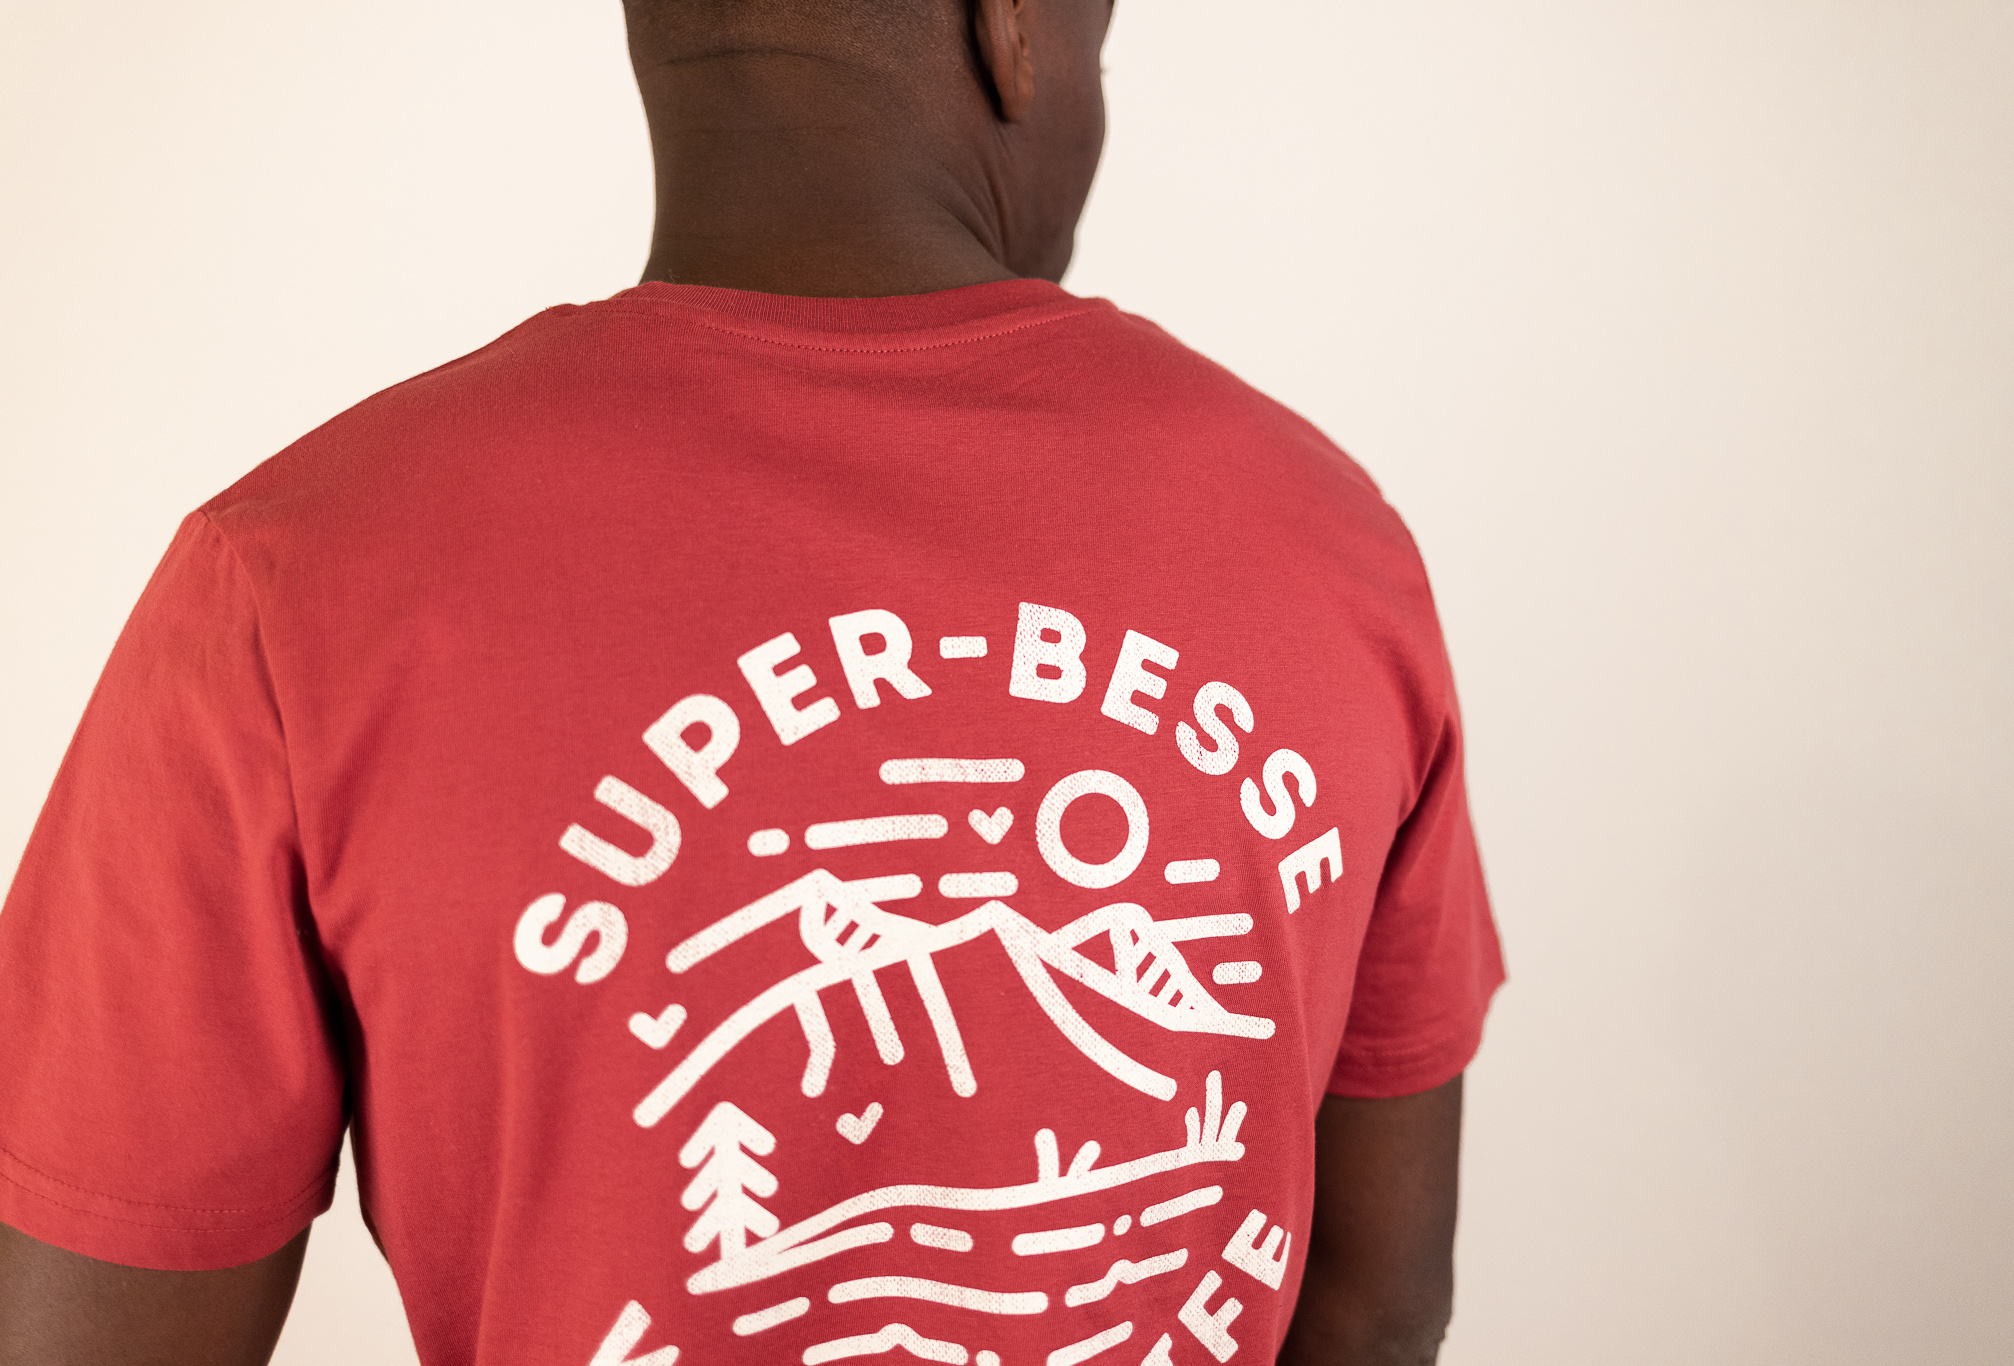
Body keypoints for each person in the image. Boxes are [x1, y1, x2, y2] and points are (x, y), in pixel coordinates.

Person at [0, 1, 1504, 1362]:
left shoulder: (288, 579)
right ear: (1012, 31)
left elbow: (91, 1332)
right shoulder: (1326, 543)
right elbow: (1375, 1309)